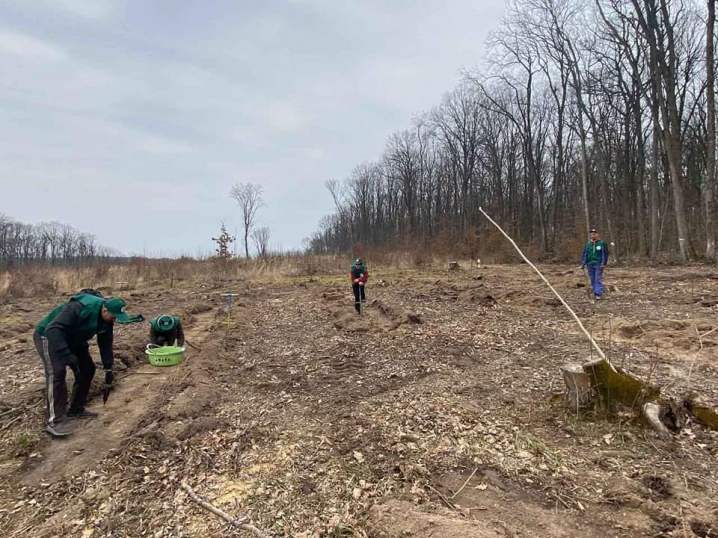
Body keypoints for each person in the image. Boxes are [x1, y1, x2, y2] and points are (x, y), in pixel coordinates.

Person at [34, 291, 134, 438]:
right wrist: (66, 355)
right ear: (104, 309)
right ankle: (53, 420)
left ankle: (76, 408)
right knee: (57, 373)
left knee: (87, 369)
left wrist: (108, 368)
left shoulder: (107, 320)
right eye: (113, 316)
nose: (114, 320)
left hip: (75, 338)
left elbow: (105, 343)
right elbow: (53, 329)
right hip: (49, 336)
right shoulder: (79, 307)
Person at [581, 228, 609, 300]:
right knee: (592, 279)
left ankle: (598, 293)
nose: (592, 236)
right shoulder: (588, 244)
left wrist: (603, 263)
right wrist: (583, 264)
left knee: (597, 279)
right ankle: (595, 292)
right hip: (590, 264)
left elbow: (604, 254)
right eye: (591, 234)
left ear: (597, 234)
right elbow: (585, 254)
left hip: (598, 264)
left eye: (594, 234)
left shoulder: (602, 243)